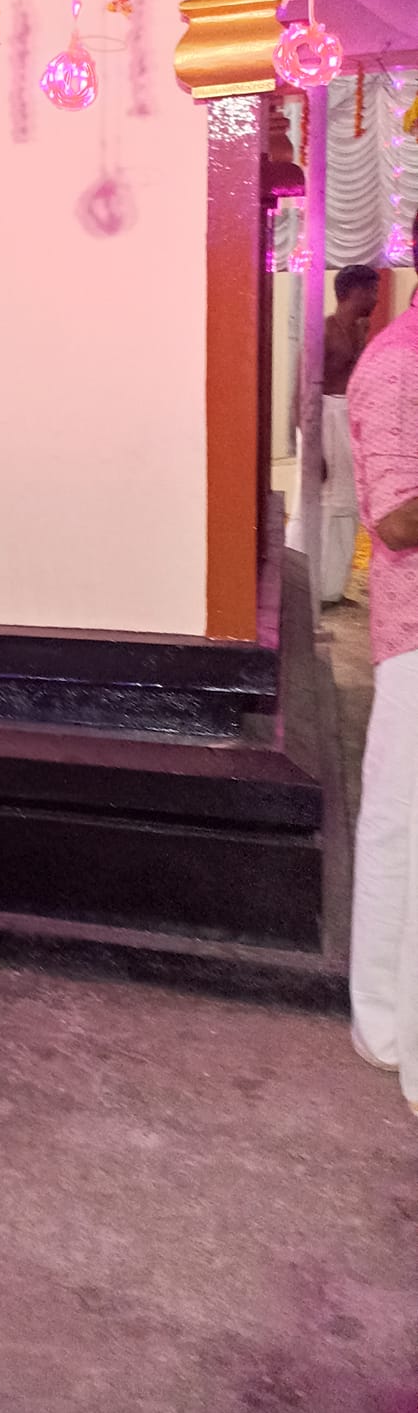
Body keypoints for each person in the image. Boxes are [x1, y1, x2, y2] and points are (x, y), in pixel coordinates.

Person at [347, 222, 418, 1111]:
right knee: (400, 832)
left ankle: (388, 1023)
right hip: (415, 636)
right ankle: (388, 1024)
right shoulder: (397, 365)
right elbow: (398, 519)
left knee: (401, 829)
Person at [290, 262, 381, 605]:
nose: (374, 297)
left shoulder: (359, 330)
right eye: (370, 290)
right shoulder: (323, 331)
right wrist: (313, 448)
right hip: (322, 422)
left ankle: (330, 589)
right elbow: (301, 393)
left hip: (346, 421)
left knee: (347, 507)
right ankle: (304, 587)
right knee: (318, 505)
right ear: (352, 292)